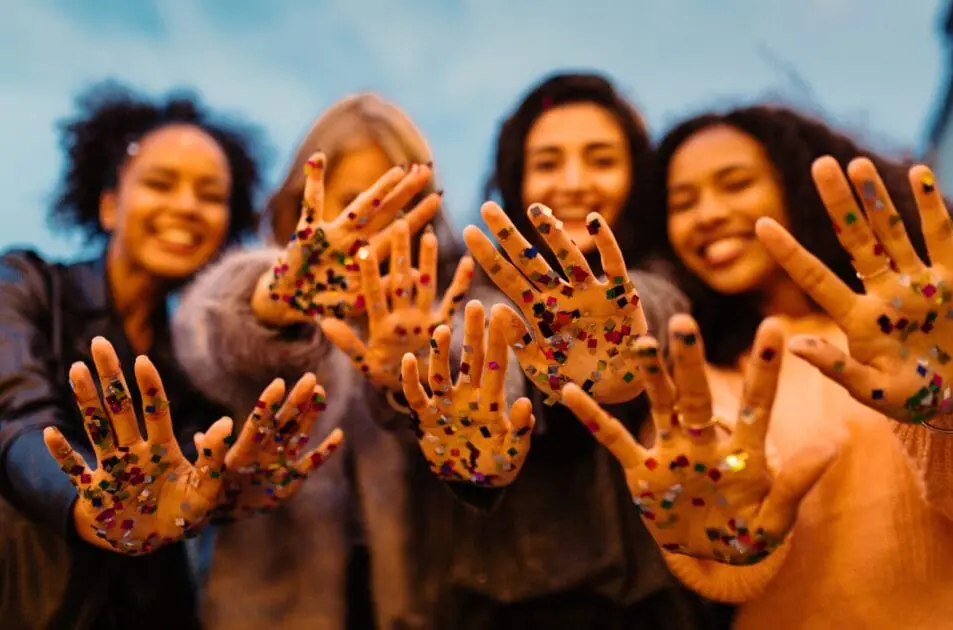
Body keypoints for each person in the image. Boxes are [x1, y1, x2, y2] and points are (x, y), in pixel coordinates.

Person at [560, 105, 953, 628]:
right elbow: (731, 559)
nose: (708, 214)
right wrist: (727, 537)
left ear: (797, 189)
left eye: (736, 184)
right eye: (683, 203)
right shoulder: (690, 374)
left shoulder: (928, 336)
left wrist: (952, 410)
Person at [390, 71, 730, 629]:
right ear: (516, 177)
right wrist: (494, 404)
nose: (573, 183)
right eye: (548, 163)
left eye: (601, 160)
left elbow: (656, 308)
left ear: (637, 174)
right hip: (493, 614)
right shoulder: (473, 288)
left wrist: (623, 356)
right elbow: (480, 337)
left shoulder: (665, 276)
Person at [0, 82, 342, 630]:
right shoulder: (25, 286)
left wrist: (219, 492)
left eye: (210, 195)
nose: (185, 206)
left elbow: (185, 487)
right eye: (160, 183)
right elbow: (15, 420)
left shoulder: (198, 355)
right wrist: (87, 503)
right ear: (108, 205)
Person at [172, 93, 468, 630]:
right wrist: (270, 308)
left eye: (399, 204)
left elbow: (487, 376)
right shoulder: (263, 280)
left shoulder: (447, 303)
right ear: (304, 204)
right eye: (356, 200)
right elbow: (209, 332)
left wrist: (423, 365)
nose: (379, 222)